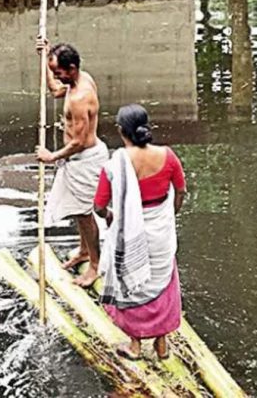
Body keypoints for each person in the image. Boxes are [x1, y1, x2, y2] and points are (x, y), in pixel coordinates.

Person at [93, 104, 187, 360]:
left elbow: (99, 206)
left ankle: (134, 346)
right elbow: (180, 191)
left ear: (121, 131)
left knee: (131, 282)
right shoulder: (168, 156)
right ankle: (162, 343)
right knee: (163, 280)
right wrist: (170, 215)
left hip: (130, 233)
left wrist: (111, 217)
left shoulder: (116, 165)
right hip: (161, 230)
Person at [35, 39, 108, 287]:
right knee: (78, 211)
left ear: (72, 68)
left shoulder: (80, 97)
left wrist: (51, 156)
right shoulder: (78, 79)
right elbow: (55, 90)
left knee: (85, 213)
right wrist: (45, 58)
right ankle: (84, 250)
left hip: (85, 159)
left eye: (59, 72)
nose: (57, 77)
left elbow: (78, 141)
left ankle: (95, 266)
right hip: (76, 159)